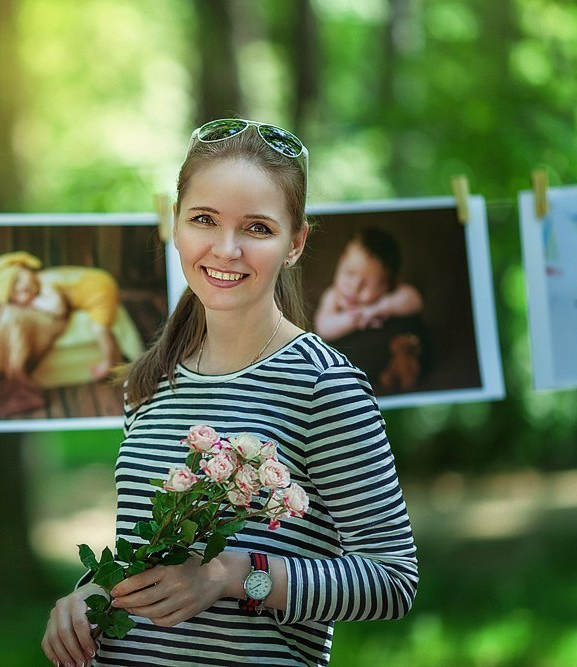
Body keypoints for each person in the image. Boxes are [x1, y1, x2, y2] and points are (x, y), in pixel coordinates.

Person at [41, 118, 418, 666]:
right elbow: (150, 555)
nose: (226, 248)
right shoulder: (151, 381)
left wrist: (235, 576)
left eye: (258, 229)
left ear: (296, 243)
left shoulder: (323, 385)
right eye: (203, 219)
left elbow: (392, 581)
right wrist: (89, 594)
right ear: (175, 225)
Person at [0, 252, 122, 417]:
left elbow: (58, 307)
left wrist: (32, 301)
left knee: (100, 328)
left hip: (100, 289)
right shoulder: (39, 280)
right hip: (95, 278)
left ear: (25, 268)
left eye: (18, 279)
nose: (22, 287)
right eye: (16, 293)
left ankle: (108, 361)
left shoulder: (45, 281)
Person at [313, 228, 429, 392]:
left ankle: (401, 367)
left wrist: (379, 308)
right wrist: (353, 319)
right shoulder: (332, 295)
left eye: (367, 284)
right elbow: (323, 327)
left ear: (386, 286)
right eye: (349, 273)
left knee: (416, 331)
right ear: (341, 261)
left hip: (390, 346)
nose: (354, 287)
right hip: (356, 359)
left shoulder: (388, 296)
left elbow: (415, 300)